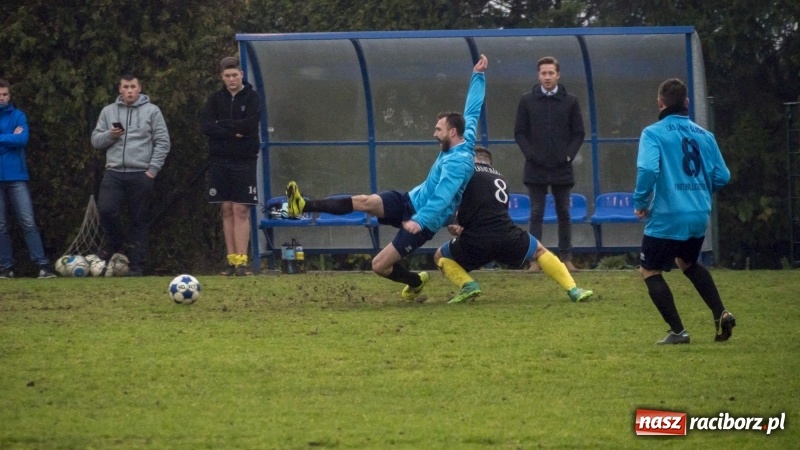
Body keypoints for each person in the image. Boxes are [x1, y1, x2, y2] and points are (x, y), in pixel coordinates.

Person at [285, 54, 489, 299]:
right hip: (408, 200)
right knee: (365, 201)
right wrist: (478, 75)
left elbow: (442, 198)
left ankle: (415, 281)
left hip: (422, 223)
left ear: (452, 132)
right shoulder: (463, 138)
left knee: (379, 265)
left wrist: (419, 219)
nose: (434, 133)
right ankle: (303, 204)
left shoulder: (458, 164)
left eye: (438, 129)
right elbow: (473, 108)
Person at [634, 78, 735, 345]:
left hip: (669, 214)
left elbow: (647, 170)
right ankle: (720, 312)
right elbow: (723, 176)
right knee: (687, 262)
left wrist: (641, 202)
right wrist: (698, 190)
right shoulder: (706, 136)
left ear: (660, 103)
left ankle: (678, 332)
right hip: (699, 213)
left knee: (649, 270)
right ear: (686, 103)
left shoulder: (653, 133)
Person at [434, 146, 593, 304]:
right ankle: (573, 289)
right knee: (539, 250)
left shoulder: (467, 174)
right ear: (489, 162)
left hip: (477, 241)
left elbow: (456, 205)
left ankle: (468, 285)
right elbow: (491, 212)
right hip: (506, 236)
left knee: (439, 256)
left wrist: (456, 224)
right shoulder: (501, 179)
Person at [91, 73, 171, 276]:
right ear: (120, 89)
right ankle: (115, 243)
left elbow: (162, 142)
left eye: (133, 87)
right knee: (107, 210)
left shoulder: (152, 111)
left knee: (139, 220)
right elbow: (96, 140)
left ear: (139, 88)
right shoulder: (109, 111)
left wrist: (151, 171)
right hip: (114, 171)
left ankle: (137, 266)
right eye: (125, 87)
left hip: (141, 173)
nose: (129, 91)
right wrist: (111, 135)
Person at [514, 56, 585, 273]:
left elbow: (578, 133)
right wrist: (530, 155)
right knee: (536, 213)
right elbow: (519, 132)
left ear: (558, 75)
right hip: (535, 168)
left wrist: (568, 156)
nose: (547, 77)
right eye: (543, 73)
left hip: (562, 168)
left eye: (551, 73)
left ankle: (566, 258)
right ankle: (534, 260)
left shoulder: (570, 101)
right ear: (538, 75)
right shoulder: (527, 101)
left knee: (564, 212)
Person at [200, 57, 262, 276]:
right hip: (219, 160)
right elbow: (207, 126)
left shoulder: (253, 98)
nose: (231, 79)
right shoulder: (215, 99)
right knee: (226, 208)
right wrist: (231, 131)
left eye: (234, 75)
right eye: (227, 76)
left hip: (244, 160)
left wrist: (224, 127)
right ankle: (231, 260)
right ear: (222, 77)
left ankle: (242, 262)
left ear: (241, 74)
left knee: (240, 209)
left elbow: (249, 125)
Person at [0, 78, 56, 279]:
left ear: (10, 95)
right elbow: (14, 140)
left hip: (17, 177)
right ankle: (6, 267)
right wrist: (9, 138)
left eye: (5, 94)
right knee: (1, 226)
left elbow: (22, 139)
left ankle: (43, 265)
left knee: (28, 221)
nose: (2, 98)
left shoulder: (18, 116)